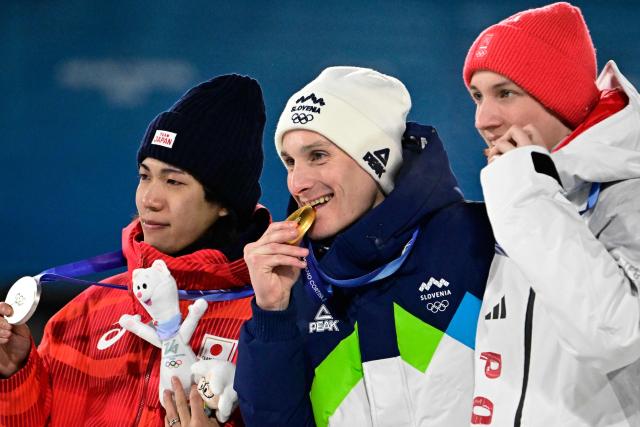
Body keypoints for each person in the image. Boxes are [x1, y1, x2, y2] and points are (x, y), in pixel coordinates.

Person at [0, 74, 269, 426]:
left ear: (224, 202)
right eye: (145, 176)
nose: (150, 199)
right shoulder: (83, 315)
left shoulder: (267, 320)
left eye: (173, 181)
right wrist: (14, 373)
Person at [235, 66, 495, 426]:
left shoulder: (478, 240)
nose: (298, 182)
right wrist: (271, 314)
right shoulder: (294, 280)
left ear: (376, 160)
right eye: (290, 162)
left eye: (318, 156)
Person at [463, 2, 640, 425]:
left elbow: (614, 335)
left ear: (559, 98)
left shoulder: (626, 192)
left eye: (505, 93)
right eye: (476, 96)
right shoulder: (524, 190)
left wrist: (526, 193)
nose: (483, 119)